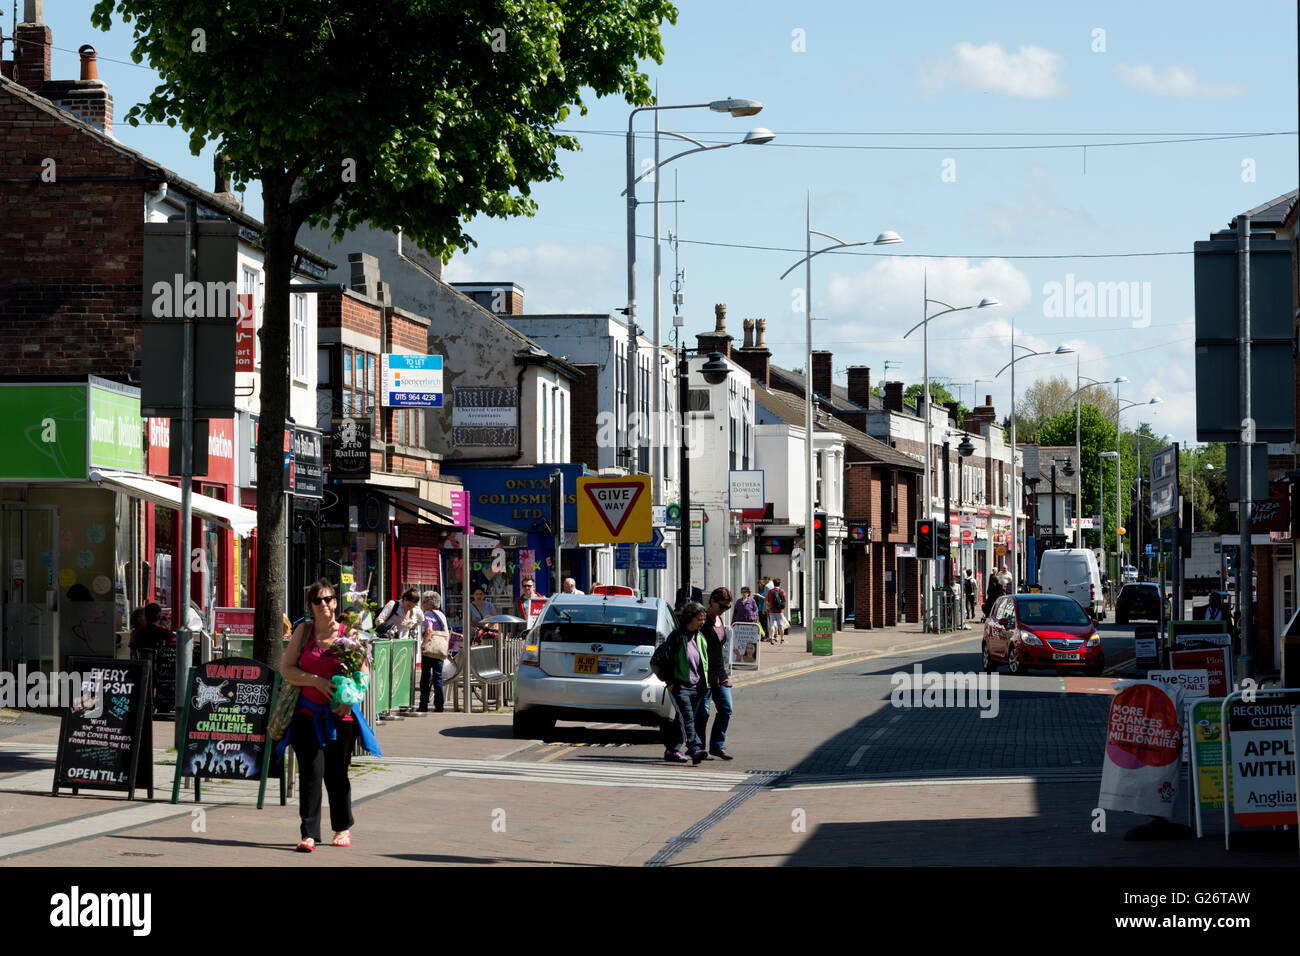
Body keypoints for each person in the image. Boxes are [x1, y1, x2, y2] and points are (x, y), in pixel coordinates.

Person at [279, 578, 379, 852]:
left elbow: (363, 672)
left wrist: (352, 698)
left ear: (335, 602)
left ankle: (342, 827)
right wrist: (316, 681)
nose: (324, 604)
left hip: (340, 717)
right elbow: (286, 669)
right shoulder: (303, 632)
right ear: (311, 606)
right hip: (306, 715)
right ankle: (309, 833)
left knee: (336, 774)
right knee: (310, 772)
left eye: (328, 599)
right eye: (318, 600)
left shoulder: (351, 634)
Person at [660, 602, 711, 765]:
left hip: (697, 687)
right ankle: (694, 748)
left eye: (704, 619)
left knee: (681, 720)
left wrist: (706, 683)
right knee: (687, 718)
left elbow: (703, 662)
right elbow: (665, 659)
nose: (702, 622)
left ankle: (672, 750)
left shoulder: (700, 637)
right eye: (699, 619)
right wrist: (669, 681)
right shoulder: (677, 636)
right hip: (680, 686)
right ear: (690, 618)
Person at [696, 587, 735, 760]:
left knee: (726, 708)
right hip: (704, 673)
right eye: (722, 606)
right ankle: (698, 748)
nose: (724, 610)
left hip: (720, 673)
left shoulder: (719, 619)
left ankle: (717, 746)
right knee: (702, 713)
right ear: (712, 601)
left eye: (728, 607)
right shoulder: (702, 621)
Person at [419, 591, 451, 713]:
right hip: (440, 648)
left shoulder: (428, 614)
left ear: (430, 603)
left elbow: (429, 631)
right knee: (438, 676)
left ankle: (423, 704)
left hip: (431, 648)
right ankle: (439, 705)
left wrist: (423, 645)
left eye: (425, 601)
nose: (423, 604)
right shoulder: (441, 614)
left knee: (425, 677)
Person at [766, 578, 788, 644]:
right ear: (779, 583)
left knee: (772, 625)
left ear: (773, 583)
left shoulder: (770, 591)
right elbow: (785, 600)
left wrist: (770, 605)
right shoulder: (782, 591)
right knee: (781, 625)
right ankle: (782, 639)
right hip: (780, 611)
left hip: (772, 610)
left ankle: (772, 638)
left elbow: (768, 601)